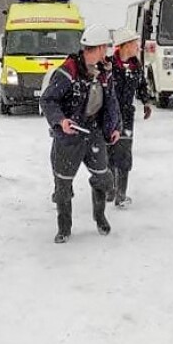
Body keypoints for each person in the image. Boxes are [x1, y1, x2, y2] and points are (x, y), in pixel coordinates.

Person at [40, 26, 121, 243]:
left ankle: (100, 216)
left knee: (103, 177)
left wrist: (114, 127)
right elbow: (47, 100)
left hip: (93, 133)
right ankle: (64, 227)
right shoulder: (68, 71)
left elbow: (111, 102)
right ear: (96, 48)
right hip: (69, 136)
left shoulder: (104, 72)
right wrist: (61, 120)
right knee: (63, 184)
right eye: (104, 48)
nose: (106, 53)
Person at [107, 28, 153, 208]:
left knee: (124, 155)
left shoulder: (136, 65)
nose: (138, 48)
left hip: (126, 116)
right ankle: (109, 189)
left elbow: (141, 86)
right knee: (108, 153)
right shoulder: (109, 64)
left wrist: (146, 102)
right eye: (135, 44)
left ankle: (121, 194)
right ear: (125, 45)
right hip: (108, 116)